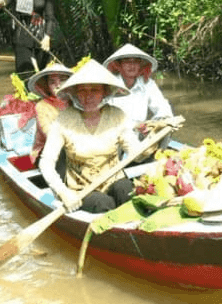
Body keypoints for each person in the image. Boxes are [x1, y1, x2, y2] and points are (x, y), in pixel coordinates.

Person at [38, 60, 146, 213]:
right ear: (75, 93)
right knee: (102, 203)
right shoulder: (63, 120)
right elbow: (46, 163)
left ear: (105, 92)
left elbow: (136, 153)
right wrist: (64, 193)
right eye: (82, 90)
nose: (88, 96)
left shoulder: (117, 115)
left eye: (94, 90)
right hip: (83, 189)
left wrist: (151, 141)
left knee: (126, 190)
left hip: (114, 181)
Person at [103, 43, 173, 135]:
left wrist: (156, 123)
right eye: (127, 61)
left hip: (140, 134)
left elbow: (162, 107)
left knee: (166, 129)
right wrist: (134, 126)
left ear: (141, 65)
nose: (132, 66)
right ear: (118, 65)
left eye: (136, 61)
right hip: (114, 135)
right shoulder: (109, 85)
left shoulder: (148, 84)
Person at [27, 63, 73, 165]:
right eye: (52, 82)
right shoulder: (42, 106)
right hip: (47, 151)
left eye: (62, 80)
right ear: (47, 86)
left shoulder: (75, 102)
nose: (58, 85)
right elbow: (49, 135)